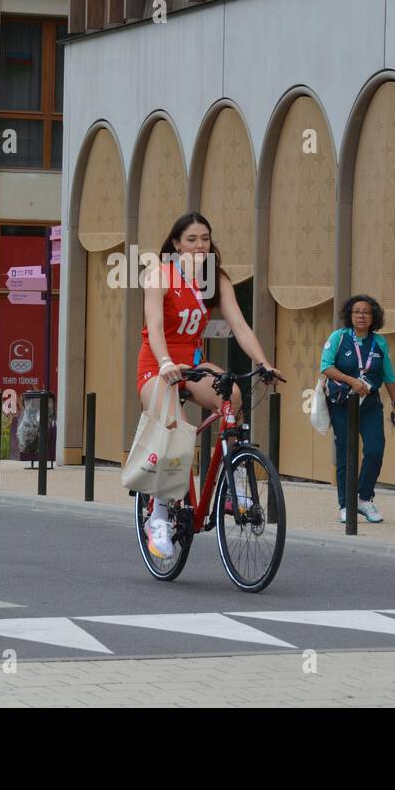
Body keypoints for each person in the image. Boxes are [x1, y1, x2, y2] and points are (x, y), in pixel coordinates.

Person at [137, 213, 278, 560]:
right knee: (176, 428)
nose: (200, 245)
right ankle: (158, 516)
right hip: (158, 365)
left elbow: (240, 327)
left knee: (233, 396)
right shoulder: (160, 275)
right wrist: (165, 363)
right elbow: (155, 328)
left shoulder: (216, 279)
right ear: (176, 244)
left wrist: (263, 363)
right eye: (191, 239)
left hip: (193, 364)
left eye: (205, 238)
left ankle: (233, 485)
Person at [320, 294, 395, 524]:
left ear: (373, 316)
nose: (361, 316)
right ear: (350, 315)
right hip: (342, 402)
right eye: (357, 311)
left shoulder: (380, 342)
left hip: (370, 403)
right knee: (346, 452)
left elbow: (389, 376)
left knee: (375, 450)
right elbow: (326, 367)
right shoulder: (339, 337)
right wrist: (352, 381)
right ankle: (346, 504)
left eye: (366, 312)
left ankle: (364, 498)